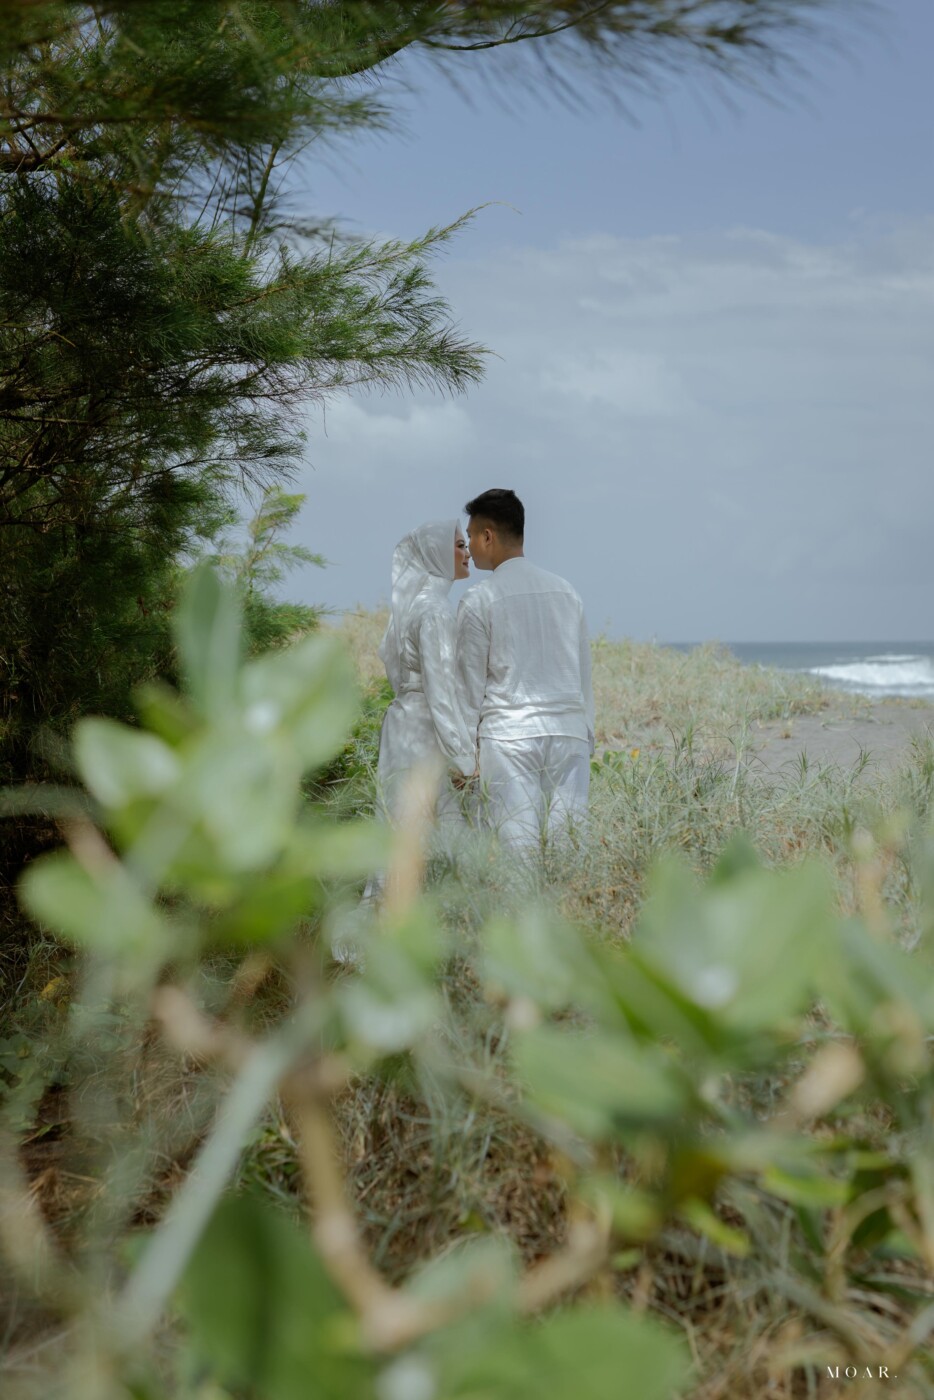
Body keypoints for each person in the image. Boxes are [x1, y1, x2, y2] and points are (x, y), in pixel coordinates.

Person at [454, 489, 594, 851]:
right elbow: (583, 674)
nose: (470, 546)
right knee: (568, 852)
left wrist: (463, 757)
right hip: (569, 735)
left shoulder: (479, 599)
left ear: (488, 535)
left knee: (517, 856)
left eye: (471, 536)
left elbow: (469, 688)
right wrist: (586, 734)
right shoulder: (566, 592)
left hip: (510, 738)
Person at [373, 518, 477, 827]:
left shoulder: (415, 605)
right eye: (460, 546)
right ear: (436, 553)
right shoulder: (435, 610)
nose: (468, 553)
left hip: (404, 724)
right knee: (435, 830)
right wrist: (463, 758)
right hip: (426, 732)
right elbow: (440, 690)